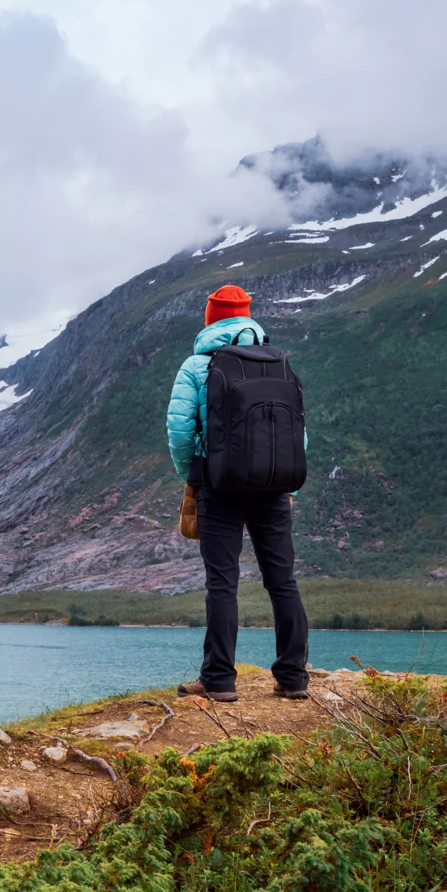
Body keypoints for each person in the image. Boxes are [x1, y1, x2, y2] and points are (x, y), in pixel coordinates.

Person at [165, 284, 310, 702]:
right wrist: (284, 477)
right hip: (274, 489)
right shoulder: (278, 362)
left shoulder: (197, 366)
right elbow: (298, 432)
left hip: (220, 486)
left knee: (223, 584)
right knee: (283, 582)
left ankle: (219, 680)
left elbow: (179, 432)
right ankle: (293, 676)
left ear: (211, 318)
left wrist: (191, 477)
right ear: (248, 316)